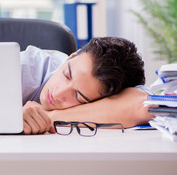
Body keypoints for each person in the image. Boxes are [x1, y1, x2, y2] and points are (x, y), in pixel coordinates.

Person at [21, 37, 154, 135]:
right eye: (67, 75)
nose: (58, 93)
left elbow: (146, 105)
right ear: (71, 57)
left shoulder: (117, 92)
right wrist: (13, 117)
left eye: (78, 96)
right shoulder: (26, 65)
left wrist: (47, 117)